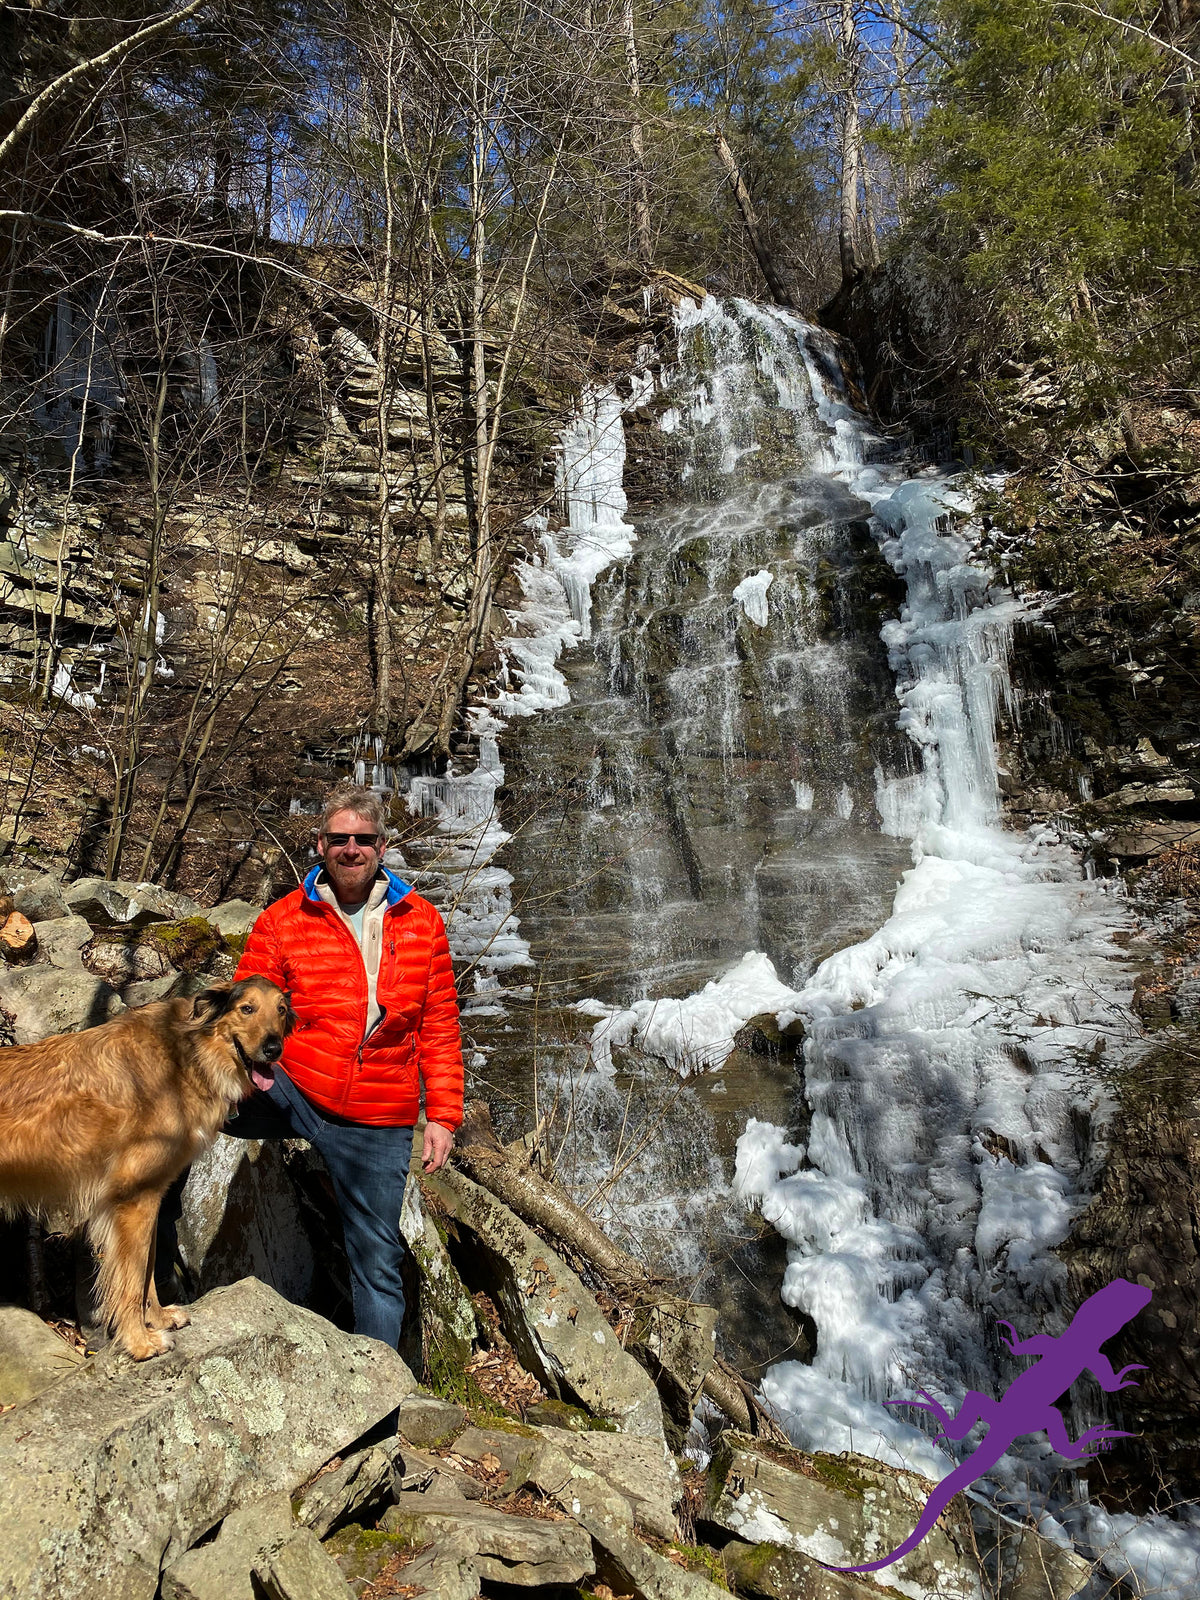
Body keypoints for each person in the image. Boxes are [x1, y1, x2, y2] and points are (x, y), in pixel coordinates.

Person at [227, 782, 463, 1348]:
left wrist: (444, 1116)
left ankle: (381, 1411)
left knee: (377, 1268)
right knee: (177, 1105)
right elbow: (246, 1004)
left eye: (362, 839)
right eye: (339, 839)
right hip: (297, 1086)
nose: (350, 848)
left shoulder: (421, 920)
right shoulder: (284, 920)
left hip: (377, 1113)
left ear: (382, 846)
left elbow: (439, 1024)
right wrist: (243, 1072)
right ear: (320, 845)